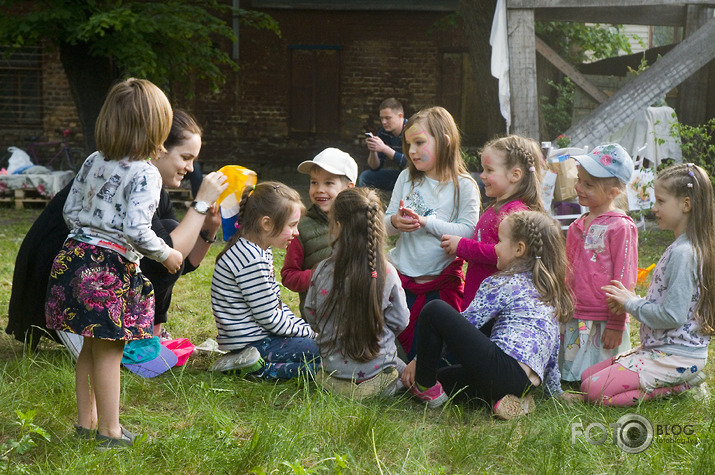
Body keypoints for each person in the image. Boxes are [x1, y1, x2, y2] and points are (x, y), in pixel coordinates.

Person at [6, 109, 228, 347]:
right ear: (159, 148)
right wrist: (201, 203)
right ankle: (108, 333)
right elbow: (168, 251)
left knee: (167, 237)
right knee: (161, 244)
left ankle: (150, 332)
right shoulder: (138, 182)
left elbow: (180, 263)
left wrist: (209, 229)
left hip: (73, 271)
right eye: (186, 157)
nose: (191, 168)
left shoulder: (140, 182)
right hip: (58, 288)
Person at [44, 78, 182, 448]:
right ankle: (110, 432)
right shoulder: (146, 173)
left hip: (72, 257)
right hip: (108, 268)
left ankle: (86, 423)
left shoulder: (93, 160)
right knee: (109, 349)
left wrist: (87, 240)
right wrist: (166, 253)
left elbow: (71, 210)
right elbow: (136, 229)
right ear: (155, 128)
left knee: (89, 347)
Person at [402, 211, 573, 419]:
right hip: (526, 383)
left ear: (519, 249)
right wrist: (555, 391)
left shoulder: (502, 282)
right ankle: (514, 400)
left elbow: (469, 322)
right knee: (446, 379)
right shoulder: (547, 291)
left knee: (435, 310)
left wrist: (420, 361)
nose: (495, 248)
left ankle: (424, 385)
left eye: (499, 241)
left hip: (502, 369)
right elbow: (552, 353)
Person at [582, 163, 714, 406]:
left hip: (675, 357)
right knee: (586, 377)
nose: (654, 209)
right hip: (662, 349)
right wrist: (632, 301)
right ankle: (678, 380)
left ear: (686, 204)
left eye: (661, 202)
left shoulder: (684, 253)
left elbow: (672, 316)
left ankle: (681, 385)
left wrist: (631, 303)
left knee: (593, 390)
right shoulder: (682, 246)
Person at [384, 106, 480, 358]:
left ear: (445, 142)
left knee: (430, 356)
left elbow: (468, 233)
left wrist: (427, 223)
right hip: (400, 282)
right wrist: (395, 221)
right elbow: (383, 226)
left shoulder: (465, 186)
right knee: (392, 350)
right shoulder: (407, 178)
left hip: (439, 288)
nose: (411, 151)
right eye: (408, 144)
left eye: (419, 142)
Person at [304, 188, 409, 398]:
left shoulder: (322, 270)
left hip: (330, 379)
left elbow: (311, 316)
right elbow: (400, 320)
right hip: (381, 379)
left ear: (338, 226)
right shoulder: (387, 272)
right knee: (407, 370)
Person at [211, 181, 319, 380]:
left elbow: (273, 305)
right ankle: (258, 368)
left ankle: (254, 362)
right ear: (267, 223)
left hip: (259, 338)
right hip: (253, 343)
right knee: (320, 355)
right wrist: (309, 332)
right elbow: (270, 318)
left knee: (318, 350)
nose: (296, 232)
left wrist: (302, 328)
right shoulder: (251, 258)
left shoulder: (257, 250)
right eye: (292, 225)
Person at [559, 144, 638, 382]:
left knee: (603, 371)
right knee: (574, 365)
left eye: (588, 184)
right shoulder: (576, 226)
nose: (579, 188)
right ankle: (571, 376)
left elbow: (625, 277)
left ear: (613, 192)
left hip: (604, 316)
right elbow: (568, 270)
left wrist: (617, 322)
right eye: (579, 180)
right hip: (576, 310)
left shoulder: (621, 226)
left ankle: (599, 380)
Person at [441, 135, 545, 309]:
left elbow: (502, 253)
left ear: (515, 175)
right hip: (481, 296)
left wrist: (462, 246)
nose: (482, 175)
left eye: (489, 170)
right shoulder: (497, 206)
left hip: (495, 305)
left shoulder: (515, 213)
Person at [281, 148, 357, 317]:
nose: (319, 189)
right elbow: (288, 276)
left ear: (349, 188)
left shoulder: (359, 224)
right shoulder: (301, 229)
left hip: (356, 316)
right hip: (319, 318)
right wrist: (317, 277)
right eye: (314, 182)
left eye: (328, 183)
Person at [358, 98, 407, 191]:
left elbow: (410, 163)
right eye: (382, 118)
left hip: (416, 176)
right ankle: (368, 204)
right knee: (366, 176)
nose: (384, 122)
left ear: (400, 116)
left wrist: (384, 148)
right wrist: (373, 150)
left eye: (388, 118)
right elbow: (375, 167)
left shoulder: (411, 130)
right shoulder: (384, 132)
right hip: (400, 175)